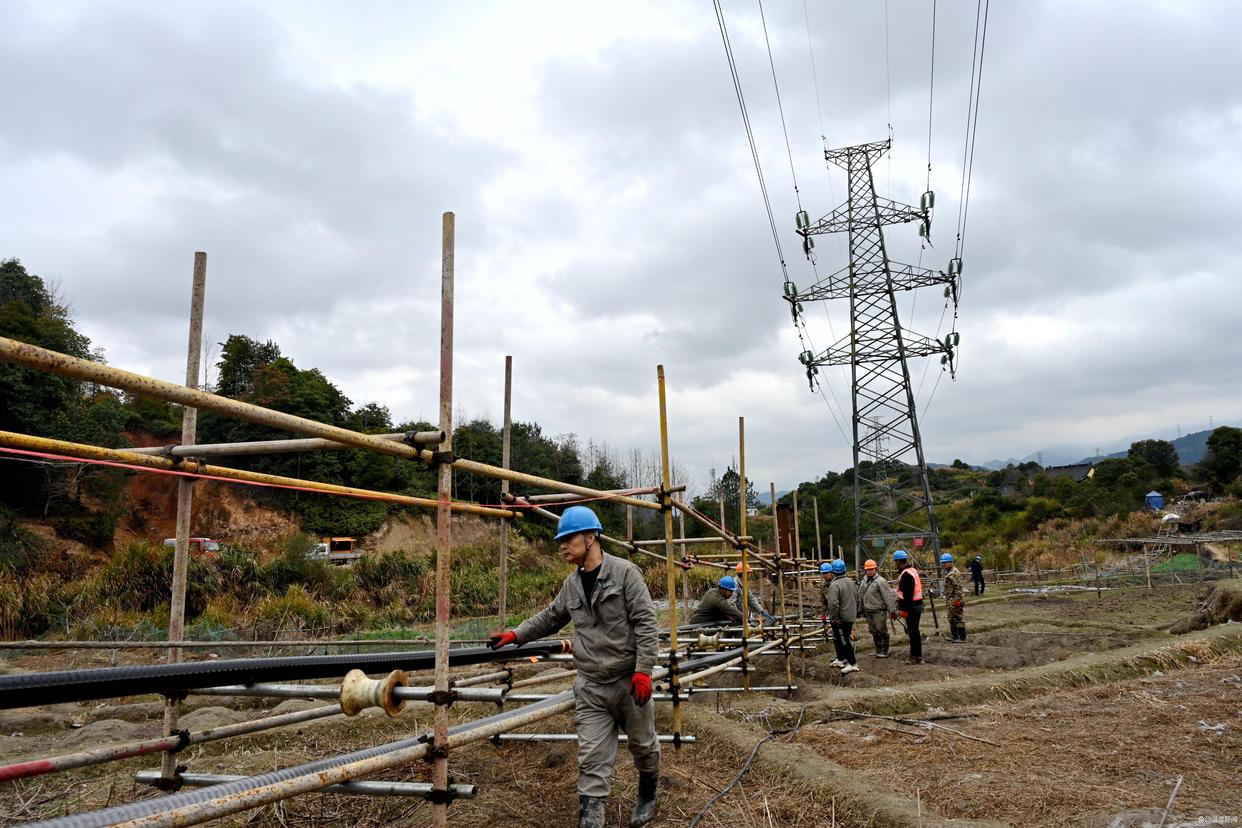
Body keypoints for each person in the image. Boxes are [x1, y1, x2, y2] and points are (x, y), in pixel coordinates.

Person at [488, 505, 659, 828]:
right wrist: (516, 634)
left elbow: (646, 624)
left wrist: (643, 670)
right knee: (592, 757)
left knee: (643, 746)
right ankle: (591, 820)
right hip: (592, 685)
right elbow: (551, 617)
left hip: (627, 681)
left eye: (568, 538)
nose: (563, 545)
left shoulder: (625, 574)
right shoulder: (572, 585)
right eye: (561, 540)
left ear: (591, 537)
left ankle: (648, 794)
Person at [824, 559, 860, 674]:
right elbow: (857, 598)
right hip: (850, 616)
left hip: (841, 619)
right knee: (843, 639)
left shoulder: (834, 585)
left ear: (833, 571)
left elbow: (833, 604)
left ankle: (852, 663)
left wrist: (834, 618)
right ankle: (842, 659)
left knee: (844, 641)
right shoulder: (851, 582)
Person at [858, 558, 897, 658]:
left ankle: (884, 651)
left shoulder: (881, 581)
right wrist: (860, 609)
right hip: (868, 610)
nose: (870, 571)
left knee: (881, 630)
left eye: (872, 569)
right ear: (865, 570)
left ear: (875, 569)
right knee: (874, 631)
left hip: (879, 610)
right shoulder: (863, 582)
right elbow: (861, 596)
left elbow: (887, 596)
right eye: (868, 569)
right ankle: (878, 650)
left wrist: (892, 610)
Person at [892, 549, 924, 664]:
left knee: (912, 632)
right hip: (918, 604)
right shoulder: (912, 570)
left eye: (896, 561)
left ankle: (915, 656)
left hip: (912, 607)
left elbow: (907, 595)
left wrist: (904, 610)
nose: (895, 563)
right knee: (914, 631)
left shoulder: (906, 575)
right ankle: (917, 655)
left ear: (899, 561)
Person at [941, 552, 967, 642]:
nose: (944, 564)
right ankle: (955, 636)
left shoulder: (955, 573)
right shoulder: (949, 572)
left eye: (946, 562)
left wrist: (958, 600)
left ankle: (962, 637)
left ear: (951, 562)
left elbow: (958, 588)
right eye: (943, 563)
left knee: (958, 618)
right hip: (950, 599)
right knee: (951, 618)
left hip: (955, 599)